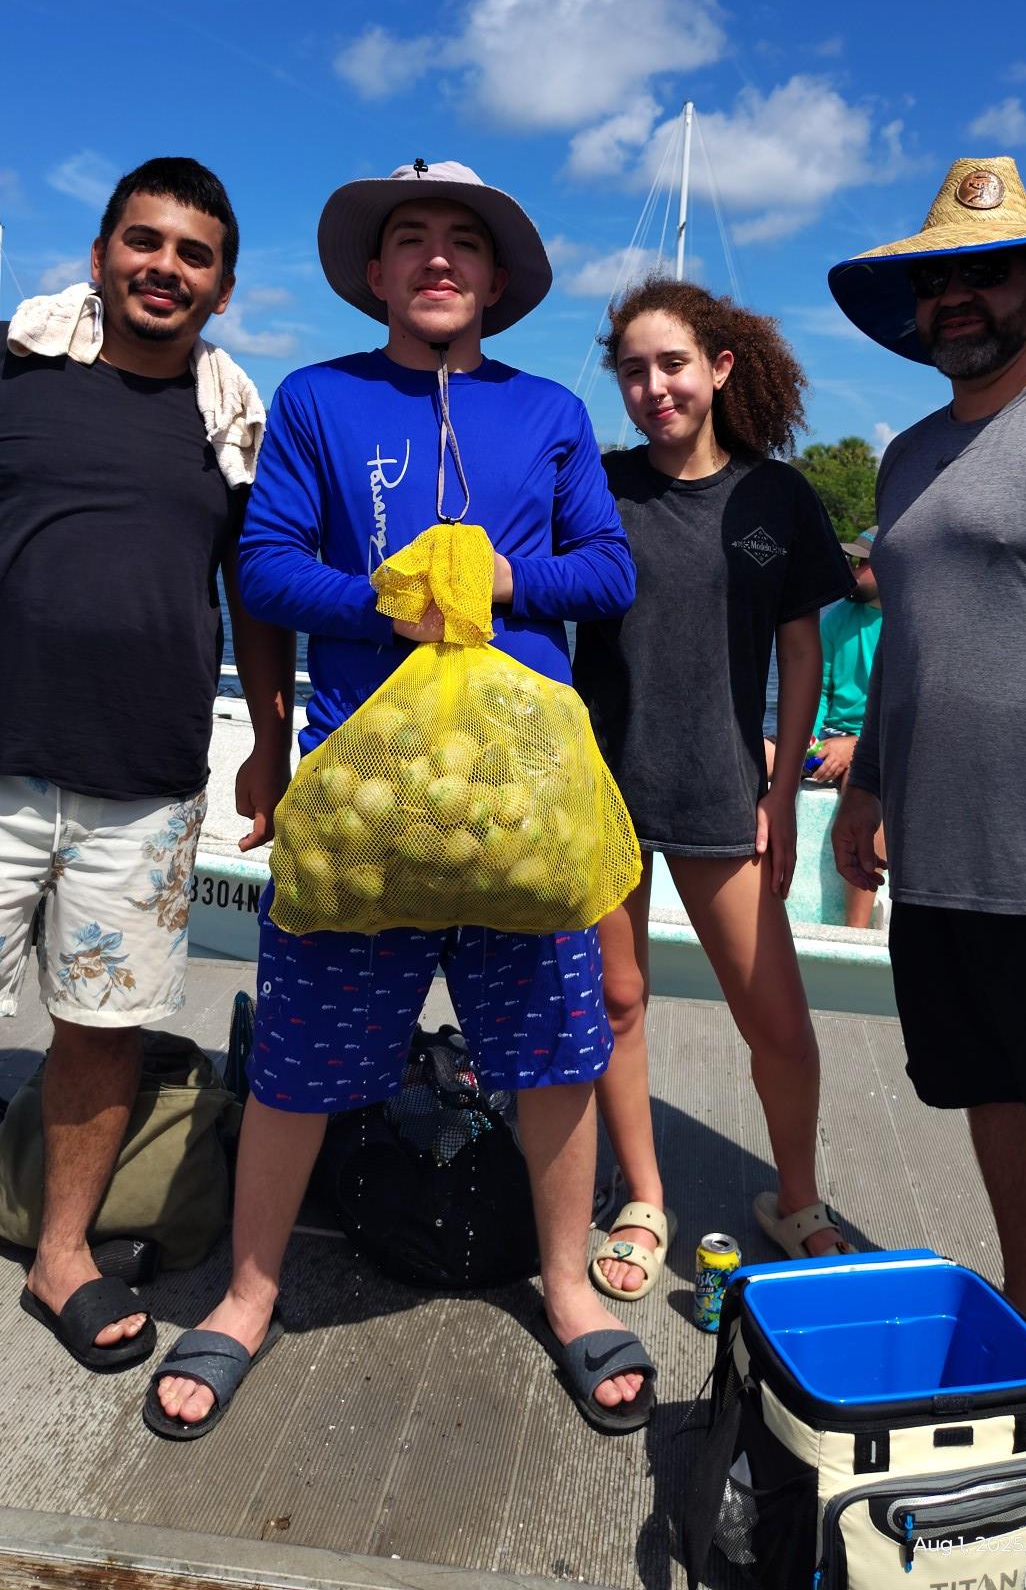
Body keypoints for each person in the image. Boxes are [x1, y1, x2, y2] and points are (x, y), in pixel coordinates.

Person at [147, 159, 658, 1442]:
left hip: (521, 808)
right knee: (303, 1061)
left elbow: (607, 570)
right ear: (374, 275)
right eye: (410, 240)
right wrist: (384, 593)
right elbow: (263, 567)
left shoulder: (545, 412)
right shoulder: (321, 400)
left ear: (498, 281)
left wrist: (496, 576)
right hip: (363, 803)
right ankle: (251, 1290)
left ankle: (565, 1287)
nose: (437, 258)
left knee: (555, 1055)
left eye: (463, 244)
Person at [827, 155, 1026, 1549]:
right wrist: (868, 786)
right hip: (947, 864)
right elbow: (909, 642)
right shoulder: (907, 456)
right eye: (936, 279)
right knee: (994, 1108)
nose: (957, 298)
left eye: (985, 272)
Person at [0, 157, 295, 1373]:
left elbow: (259, 596)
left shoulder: (228, 423)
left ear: (223, 288)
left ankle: (60, 1250)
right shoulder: (16, 376)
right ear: (99, 253)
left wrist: (271, 741)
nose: (164, 267)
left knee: (102, 1024)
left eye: (193, 254)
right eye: (144, 241)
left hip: (150, 778)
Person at [572, 276, 857, 1297]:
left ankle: (797, 1195)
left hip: (720, 785)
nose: (654, 386)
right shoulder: (594, 486)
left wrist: (779, 787)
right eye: (635, 369)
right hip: (600, 787)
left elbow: (800, 650)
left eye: (673, 364)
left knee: (775, 1014)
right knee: (615, 997)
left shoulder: (775, 497)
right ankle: (644, 1196)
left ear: (718, 368)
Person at [806, 527, 885, 928]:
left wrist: (855, 745)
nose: (851, 571)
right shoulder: (837, 617)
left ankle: (855, 930)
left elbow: (902, 708)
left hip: (878, 744)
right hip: (830, 739)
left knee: (864, 779)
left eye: (862, 563)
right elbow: (817, 689)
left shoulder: (910, 623)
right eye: (851, 561)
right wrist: (807, 733)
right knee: (756, 757)